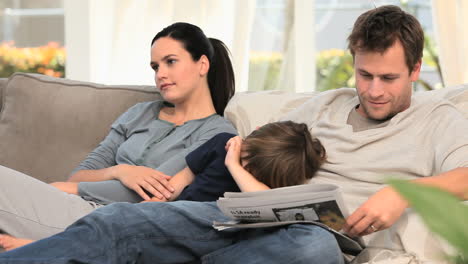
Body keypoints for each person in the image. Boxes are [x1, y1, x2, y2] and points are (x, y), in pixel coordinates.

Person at [1, 5, 467, 264]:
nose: (373, 90)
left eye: (388, 79)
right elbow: (245, 147)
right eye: (365, 75)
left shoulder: (439, 119)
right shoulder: (326, 105)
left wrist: (403, 193)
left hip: (320, 238)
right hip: (241, 218)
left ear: (415, 69)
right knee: (121, 221)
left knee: (310, 247)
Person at [0, 22, 238, 247]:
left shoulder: (217, 134)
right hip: (73, 207)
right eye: (155, 67)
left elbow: (154, 192)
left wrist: (73, 189)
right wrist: (120, 171)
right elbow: (79, 174)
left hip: (108, 220)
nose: (160, 74)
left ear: (202, 65)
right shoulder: (139, 113)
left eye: (170, 62)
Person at [0, 120, 327, 251]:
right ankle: (41, 245)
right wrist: (139, 209)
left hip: (191, 235)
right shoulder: (222, 142)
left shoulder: (263, 195)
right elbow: (173, 188)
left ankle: (35, 247)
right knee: (115, 223)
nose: (241, 164)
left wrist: (236, 167)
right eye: (245, 157)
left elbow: (266, 203)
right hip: (160, 216)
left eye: (250, 168)